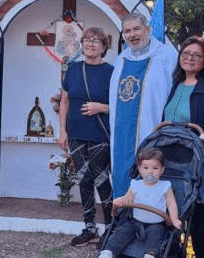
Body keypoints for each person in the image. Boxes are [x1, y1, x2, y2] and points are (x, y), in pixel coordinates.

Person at [109, 13, 178, 198]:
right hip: (121, 135)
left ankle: (150, 220)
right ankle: (124, 221)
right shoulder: (121, 60)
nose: (132, 34)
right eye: (127, 31)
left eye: (136, 29)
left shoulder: (167, 56)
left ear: (148, 29)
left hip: (152, 130)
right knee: (121, 171)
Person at [59, 27, 113, 246]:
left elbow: (121, 106)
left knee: (101, 179)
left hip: (100, 134)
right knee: (83, 179)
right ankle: (89, 228)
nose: (91, 44)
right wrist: (62, 131)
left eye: (96, 40)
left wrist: (101, 107)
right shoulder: (72, 70)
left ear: (104, 46)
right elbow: (64, 101)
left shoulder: (112, 71)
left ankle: (110, 227)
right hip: (77, 134)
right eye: (87, 40)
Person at [163, 36, 204, 258]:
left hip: (198, 154)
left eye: (197, 55)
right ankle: (173, 249)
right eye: (186, 53)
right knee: (173, 202)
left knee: (200, 204)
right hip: (172, 155)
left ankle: (203, 252)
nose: (190, 58)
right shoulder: (176, 84)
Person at [98, 149, 182, 258]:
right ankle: (108, 252)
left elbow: (171, 204)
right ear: (139, 170)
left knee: (156, 235)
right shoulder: (135, 185)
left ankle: (150, 255)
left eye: (155, 168)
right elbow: (128, 199)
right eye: (146, 168)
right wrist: (121, 200)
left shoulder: (165, 186)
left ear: (161, 170)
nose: (150, 172)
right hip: (135, 221)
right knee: (121, 232)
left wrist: (174, 219)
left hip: (156, 223)